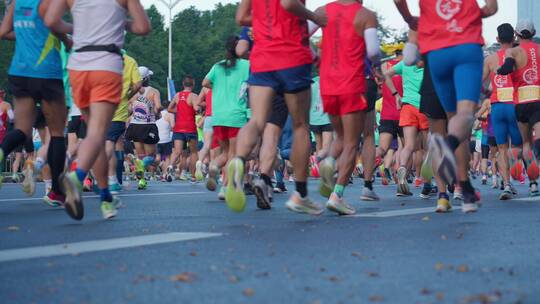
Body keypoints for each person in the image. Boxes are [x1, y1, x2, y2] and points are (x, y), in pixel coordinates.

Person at [45, 0, 151, 220]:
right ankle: (77, 176)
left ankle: (105, 198)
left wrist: (76, 28)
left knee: (96, 138)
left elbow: (51, 20)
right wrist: (121, 22)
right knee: (97, 134)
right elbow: (142, 27)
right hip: (106, 64)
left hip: (78, 65)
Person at [394, 0, 499, 213]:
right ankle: (462, 186)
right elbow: (492, 8)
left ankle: (445, 195)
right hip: (466, 48)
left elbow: (410, 57)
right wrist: (474, 14)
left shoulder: (425, 18)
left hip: (437, 59)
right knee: (462, 119)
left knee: (438, 135)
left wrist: (407, 17)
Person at [231, 0, 327, 214]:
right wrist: (314, 17)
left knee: (258, 121)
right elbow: (288, 3)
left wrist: (266, 22)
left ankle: (239, 163)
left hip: (263, 58)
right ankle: (300, 194)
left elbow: (241, 18)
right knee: (301, 125)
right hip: (291, 56)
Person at [0, 0, 70, 206]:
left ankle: (2, 150)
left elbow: (3, 32)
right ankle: (57, 192)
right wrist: (67, 41)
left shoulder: (16, 3)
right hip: (47, 72)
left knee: (22, 129)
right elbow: (53, 25)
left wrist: (23, 37)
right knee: (56, 134)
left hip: (20, 72)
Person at [315, 0, 380, 215]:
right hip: (352, 83)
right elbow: (372, 51)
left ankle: (329, 161)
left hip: (327, 83)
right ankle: (337, 195)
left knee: (340, 138)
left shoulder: (323, 10)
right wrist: (377, 66)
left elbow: (300, 35)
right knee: (353, 143)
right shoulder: (366, 15)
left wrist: (314, 56)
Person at [202, 36, 250, 201]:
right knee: (234, 154)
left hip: (218, 115)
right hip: (236, 115)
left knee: (224, 152)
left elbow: (205, 82)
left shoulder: (218, 66)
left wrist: (219, 88)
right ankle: (225, 187)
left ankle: (214, 166)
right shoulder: (247, 65)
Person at [497, 19, 540, 197]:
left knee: (526, 143)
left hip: (520, 103)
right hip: (537, 99)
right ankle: (533, 170)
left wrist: (501, 70)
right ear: (533, 33)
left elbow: (507, 67)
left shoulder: (512, 51)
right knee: (536, 140)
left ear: (517, 34)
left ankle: (532, 183)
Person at [384, 55, 430, 198]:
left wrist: (396, 94)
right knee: (428, 149)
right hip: (424, 107)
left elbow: (386, 75)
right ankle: (427, 184)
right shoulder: (428, 65)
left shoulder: (405, 63)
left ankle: (402, 167)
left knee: (408, 146)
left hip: (407, 106)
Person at [107, 53, 142, 193]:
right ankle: (114, 180)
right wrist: (127, 94)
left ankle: (104, 179)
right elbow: (138, 84)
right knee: (115, 143)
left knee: (104, 143)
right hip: (119, 111)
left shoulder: (102, 55)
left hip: (100, 106)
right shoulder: (129, 60)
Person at [125, 66, 161, 190]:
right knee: (151, 155)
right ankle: (141, 167)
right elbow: (159, 107)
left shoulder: (133, 92)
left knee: (140, 155)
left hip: (135, 125)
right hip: (148, 125)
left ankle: (141, 181)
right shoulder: (154, 91)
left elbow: (129, 109)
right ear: (147, 78)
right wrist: (156, 112)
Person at [168, 76, 199, 183]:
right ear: (193, 85)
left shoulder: (177, 95)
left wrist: (180, 110)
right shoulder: (194, 96)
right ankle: (193, 176)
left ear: (183, 84)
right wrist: (198, 109)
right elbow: (196, 108)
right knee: (193, 152)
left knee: (177, 152)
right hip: (190, 128)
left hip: (178, 127)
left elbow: (169, 108)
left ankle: (170, 167)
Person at [156, 101, 174, 182]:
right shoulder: (170, 115)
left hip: (157, 140)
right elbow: (173, 126)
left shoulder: (157, 114)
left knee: (157, 158)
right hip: (167, 139)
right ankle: (164, 175)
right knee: (167, 158)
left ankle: (160, 165)